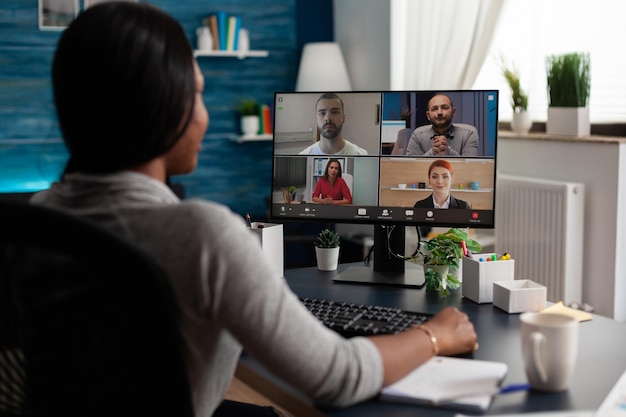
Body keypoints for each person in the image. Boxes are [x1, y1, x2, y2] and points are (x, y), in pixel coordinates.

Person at [31, 3, 477, 417]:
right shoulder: (203, 235)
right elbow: (338, 376)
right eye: (199, 94)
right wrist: (434, 335)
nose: (204, 117)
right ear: (163, 106)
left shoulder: (39, 216)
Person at [406, 94, 479, 156]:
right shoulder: (417, 135)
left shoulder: (468, 134)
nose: (439, 112)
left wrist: (447, 151)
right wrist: (433, 152)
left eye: (444, 107)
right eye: (434, 109)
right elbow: (412, 166)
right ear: (428, 115)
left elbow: (469, 166)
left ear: (453, 112)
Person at [299, 93, 368, 155]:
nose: (328, 118)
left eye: (335, 112)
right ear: (316, 119)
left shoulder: (361, 154)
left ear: (343, 118)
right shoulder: (304, 155)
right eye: (322, 113)